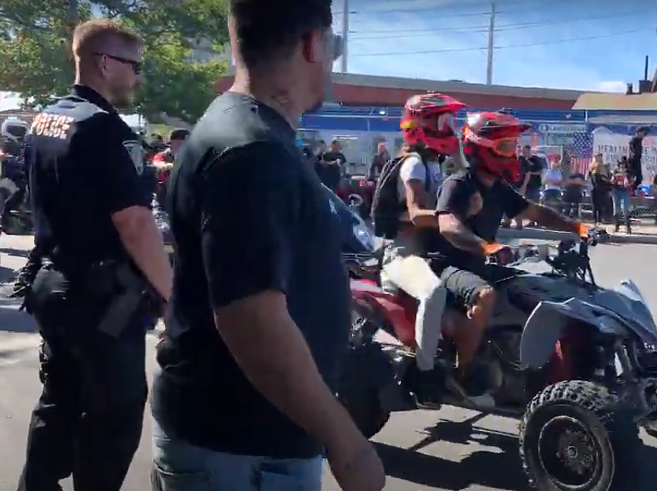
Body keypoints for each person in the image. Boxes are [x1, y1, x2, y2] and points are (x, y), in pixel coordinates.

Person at [150, 2, 384, 491]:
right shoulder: (252, 149)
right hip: (241, 451)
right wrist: (347, 442)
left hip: (245, 442)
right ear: (313, 45)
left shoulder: (246, 132)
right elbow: (252, 319)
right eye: (334, 47)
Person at [16, 19, 173, 491]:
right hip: (97, 300)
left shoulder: (45, 119)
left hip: (52, 282)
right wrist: (171, 293)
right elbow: (135, 222)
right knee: (115, 414)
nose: (138, 78)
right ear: (106, 63)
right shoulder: (107, 129)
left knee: (60, 397)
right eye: (135, 67)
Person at [433, 111, 590, 402]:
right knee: (485, 296)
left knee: (542, 289)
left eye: (514, 147)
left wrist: (576, 227)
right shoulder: (459, 183)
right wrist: (485, 246)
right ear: (481, 147)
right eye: (506, 147)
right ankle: (462, 374)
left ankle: (527, 362)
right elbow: (447, 225)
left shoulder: (498, 188)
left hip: (484, 263)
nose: (513, 154)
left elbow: (535, 212)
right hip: (450, 266)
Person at [378, 92, 466, 408]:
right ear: (420, 124)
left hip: (433, 250)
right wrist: (454, 218)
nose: (448, 128)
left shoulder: (436, 165)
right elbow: (416, 212)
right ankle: (423, 374)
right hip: (403, 253)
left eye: (450, 122)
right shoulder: (414, 164)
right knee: (434, 293)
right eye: (443, 121)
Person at [150, 128, 189, 203]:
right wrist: (175, 166)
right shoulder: (163, 155)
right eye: (178, 144)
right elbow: (158, 165)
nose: (181, 148)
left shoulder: (192, 157)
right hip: (163, 196)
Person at [610, 157, 633, 234]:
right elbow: (612, 182)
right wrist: (615, 178)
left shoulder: (629, 173)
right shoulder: (615, 172)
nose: (622, 168)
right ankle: (617, 226)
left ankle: (628, 226)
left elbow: (628, 184)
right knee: (616, 208)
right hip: (616, 190)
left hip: (625, 191)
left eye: (623, 166)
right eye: (620, 166)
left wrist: (625, 177)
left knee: (625, 208)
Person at [588, 154, 612, 225]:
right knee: (596, 205)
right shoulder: (593, 172)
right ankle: (596, 220)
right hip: (595, 189)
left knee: (602, 205)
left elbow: (607, 179)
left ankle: (600, 219)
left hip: (602, 190)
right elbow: (595, 181)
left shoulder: (603, 169)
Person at [627, 126, 650, 193]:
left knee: (639, 178)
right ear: (637, 133)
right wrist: (634, 153)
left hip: (637, 160)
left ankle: (632, 189)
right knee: (632, 176)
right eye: (641, 133)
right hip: (633, 160)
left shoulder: (640, 139)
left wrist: (648, 127)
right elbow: (632, 148)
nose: (642, 135)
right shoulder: (634, 140)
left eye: (643, 133)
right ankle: (630, 189)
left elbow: (646, 133)